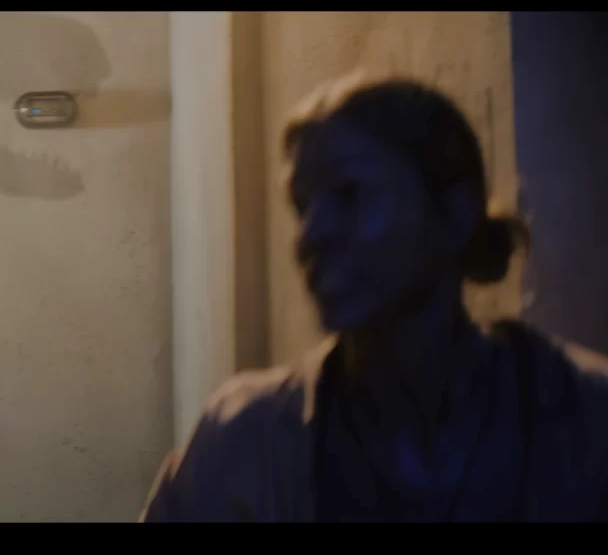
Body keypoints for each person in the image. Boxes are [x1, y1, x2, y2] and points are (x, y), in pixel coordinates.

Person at [140, 73, 608, 522]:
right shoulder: (240, 445)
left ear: (455, 213)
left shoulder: (587, 419)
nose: (309, 236)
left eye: (350, 195)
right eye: (302, 206)